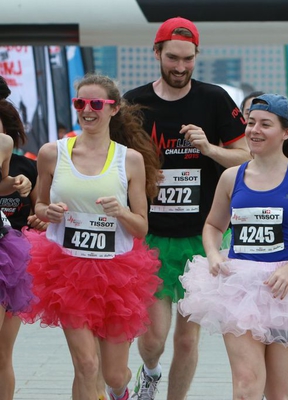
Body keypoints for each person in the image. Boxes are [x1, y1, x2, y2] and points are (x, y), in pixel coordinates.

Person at [178, 94, 288, 399]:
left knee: (279, 393)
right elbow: (214, 225)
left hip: (286, 290)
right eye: (251, 123)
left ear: (286, 132)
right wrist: (214, 254)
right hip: (239, 289)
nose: (254, 130)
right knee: (246, 385)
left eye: (265, 124)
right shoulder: (231, 177)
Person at [122, 16, 250, 400]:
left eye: (188, 59)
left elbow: (246, 157)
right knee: (154, 338)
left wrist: (209, 149)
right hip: (152, 235)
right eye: (173, 58)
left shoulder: (214, 99)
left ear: (197, 56)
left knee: (188, 339)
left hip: (201, 236)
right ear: (157, 53)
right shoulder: (134, 102)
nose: (180, 67)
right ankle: (150, 372)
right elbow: (111, 160)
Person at [23, 73, 163, 400]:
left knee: (113, 374)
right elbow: (39, 205)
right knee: (86, 365)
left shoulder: (129, 159)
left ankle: (121, 391)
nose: (87, 110)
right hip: (66, 269)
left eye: (96, 103)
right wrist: (48, 212)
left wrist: (121, 212)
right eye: (80, 103)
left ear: (113, 108)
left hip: (116, 273)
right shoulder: (52, 153)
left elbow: (141, 227)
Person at [0, 95, 37, 400]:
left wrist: (18, 183)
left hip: (9, 256)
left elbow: (40, 209)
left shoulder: (6, 146)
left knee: (3, 353)